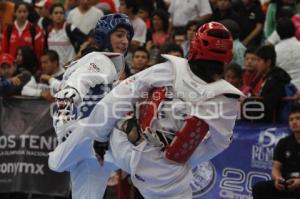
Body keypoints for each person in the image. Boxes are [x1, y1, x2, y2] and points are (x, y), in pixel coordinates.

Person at [49, 21, 243, 198]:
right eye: (119, 35)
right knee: (93, 140)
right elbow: (220, 142)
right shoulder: (227, 98)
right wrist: (185, 158)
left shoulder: (171, 69)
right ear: (228, 56)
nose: (124, 41)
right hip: (164, 172)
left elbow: (115, 100)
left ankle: (62, 158)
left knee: (92, 129)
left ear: (194, 46)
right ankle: (70, 155)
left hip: (124, 144)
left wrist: (99, 138)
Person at [48, 13, 134, 199]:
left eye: (127, 36)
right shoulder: (101, 61)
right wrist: (64, 125)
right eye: (119, 35)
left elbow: (63, 88)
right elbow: (71, 90)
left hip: (94, 152)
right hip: (88, 135)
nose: (125, 41)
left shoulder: (109, 66)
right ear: (105, 36)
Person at [252, 104, 300, 199]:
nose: (294, 122)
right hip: (286, 182)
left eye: (298, 118)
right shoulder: (283, 142)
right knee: (259, 188)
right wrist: (278, 179)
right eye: (291, 119)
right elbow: (276, 168)